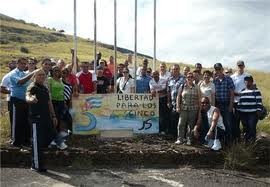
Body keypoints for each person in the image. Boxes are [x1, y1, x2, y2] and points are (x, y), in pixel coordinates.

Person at [26, 69, 58, 172]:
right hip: (36, 118)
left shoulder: (44, 88)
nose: (42, 77)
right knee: (37, 142)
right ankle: (36, 165)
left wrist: (53, 116)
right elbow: (28, 95)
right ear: (34, 77)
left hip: (46, 118)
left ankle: (38, 155)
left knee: (52, 135)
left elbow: (49, 103)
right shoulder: (32, 87)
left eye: (43, 75)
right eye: (39, 75)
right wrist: (31, 99)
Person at [9, 57, 36, 148]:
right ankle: (16, 143)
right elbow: (20, 82)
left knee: (24, 121)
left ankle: (24, 142)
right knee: (17, 122)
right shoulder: (13, 73)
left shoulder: (24, 73)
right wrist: (33, 73)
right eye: (22, 63)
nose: (24, 65)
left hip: (25, 100)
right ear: (18, 64)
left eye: (25, 63)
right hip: (16, 100)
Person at [175, 72, 201, 145]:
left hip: (193, 109)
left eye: (191, 77)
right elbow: (178, 97)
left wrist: (199, 110)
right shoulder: (182, 86)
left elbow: (199, 99)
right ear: (186, 78)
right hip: (183, 108)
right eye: (188, 77)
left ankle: (189, 139)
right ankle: (180, 139)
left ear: (193, 78)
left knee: (191, 125)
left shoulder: (197, 87)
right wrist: (177, 106)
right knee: (181, 124)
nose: (189, 78)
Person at [213, 63, 235, 145]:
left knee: (228, 123)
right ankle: (221, 140)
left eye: (219, 69)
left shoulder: (228, 79)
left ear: (222, 69)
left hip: (226, 104)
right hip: (218, 105)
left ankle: (229, 141)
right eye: (216, 69)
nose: (218, 71)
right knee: (218, 123)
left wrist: (230, 106)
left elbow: (232, 93)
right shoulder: (214, 80)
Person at [237, 75, 263, 143]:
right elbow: (240, 102)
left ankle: (252, 142)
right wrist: (238, 110)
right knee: (245, 127)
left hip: (253, 113)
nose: (247, 82)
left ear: (252, 82)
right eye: (245, 81)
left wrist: (259, 110)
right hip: (243, 113)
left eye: (249, 81)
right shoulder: (242, 91)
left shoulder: (256, 91)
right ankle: (246, 141)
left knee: (252, 127)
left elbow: (259, 102)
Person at [231, 60, 251, 142]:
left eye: (241, 65)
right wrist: (238, 94)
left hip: (246, 102)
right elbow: (231, 90)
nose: (240, 67)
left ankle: (246, 139)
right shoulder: (232, 77)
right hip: (236, 102)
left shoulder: (248, 75)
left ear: (244, 66)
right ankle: (237, 139)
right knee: (236, 122)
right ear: (236, 66)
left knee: (245, 122)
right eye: (238, 66)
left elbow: (252, 87)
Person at [0, 60, 17, 142]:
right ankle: (13, 138)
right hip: (11, 100)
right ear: (9, 65)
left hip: (22, 100)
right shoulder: (7, 76)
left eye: (15, 63)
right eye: (11, 63)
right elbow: (2, 89)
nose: (13, 64)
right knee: (13, 119)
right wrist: (12, 91)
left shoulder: (20, 75)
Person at [167, 64, 185, 137]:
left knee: (181, 121)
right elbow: (168, 91)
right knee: (173, 120)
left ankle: (181, 136)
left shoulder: (183, 78)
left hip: (182, 102)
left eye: (177, 69)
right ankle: (174, 135)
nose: (175, 70)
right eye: (174, 69)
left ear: (179, 70)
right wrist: (168, 101)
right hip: (173, 102)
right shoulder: (170, 79)